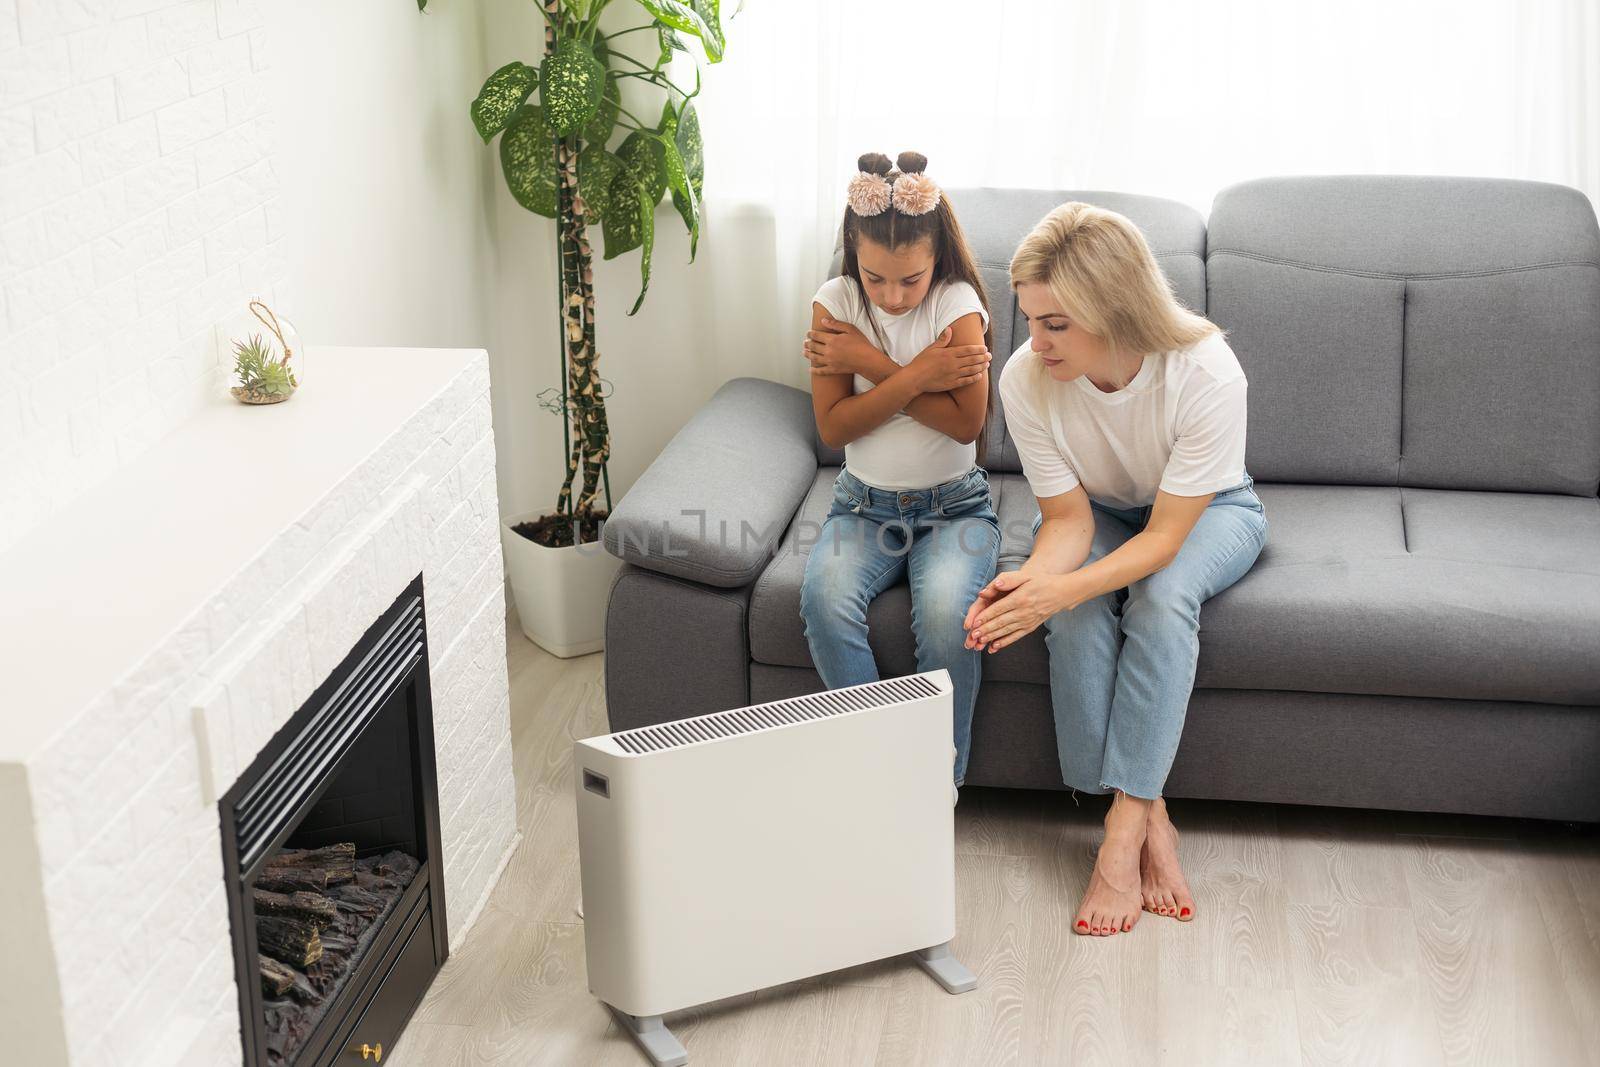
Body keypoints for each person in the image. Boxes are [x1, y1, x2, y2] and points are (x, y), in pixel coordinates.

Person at [965, 202, 1268, 936]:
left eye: (1056, 323)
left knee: (1161, 601)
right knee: (1066, 608)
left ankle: (1121, 836)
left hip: (1207, 510)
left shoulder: (1206, 372)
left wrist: (1056, 586)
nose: (1034, 343)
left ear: (1115, 306)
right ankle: (1151, 811)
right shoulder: (1025, 379)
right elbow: (1068, 521)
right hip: (1097, 512)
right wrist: (1039, 589)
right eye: (1029, 319)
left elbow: (1165, 539)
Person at [799, 150, 998, 791]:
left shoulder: (957, 303)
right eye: (875, 278)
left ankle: (938, 789)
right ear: (851, 252)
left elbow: (965, 424)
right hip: (862, 506)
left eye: (909, 281)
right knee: (824, 600)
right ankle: (885, 774)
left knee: (948, 618)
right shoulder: (834, 304)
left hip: (955, 510)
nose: (891, 296)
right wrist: (918, 375)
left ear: (936, 254)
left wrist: (870, 364)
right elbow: (834, 428)